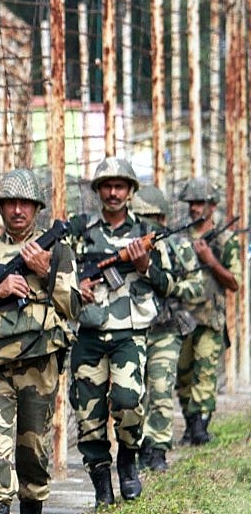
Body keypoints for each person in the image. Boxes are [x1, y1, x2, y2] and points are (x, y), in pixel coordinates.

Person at [0, 168, 79, 514]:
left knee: (33, 452)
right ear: (0, 208)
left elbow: (73, 305)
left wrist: (46, 272)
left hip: (40, 365)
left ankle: (32, 504)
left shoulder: (58, 251)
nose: (18, 210)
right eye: (10, 203)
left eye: (25, 203)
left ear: (37, 208)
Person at [66, 157, 172, 507]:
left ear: (130, 191)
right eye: (107, 186)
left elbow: (168, 284)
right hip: (89, 330)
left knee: (128, 401)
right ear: (98, 190)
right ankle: (101, 489)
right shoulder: (79, 230)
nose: (113, 192)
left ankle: (128, 458)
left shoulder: (146, 234)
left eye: (120, 186)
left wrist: (144, 265)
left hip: (130, 330)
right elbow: (58, 277)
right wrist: (74, 286)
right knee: (88, 416)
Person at [129, 185, 203, 472]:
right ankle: (138, 446)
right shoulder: (126, 245)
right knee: (133, 395)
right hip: (131, 328)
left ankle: (157, 448)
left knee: (160, 389)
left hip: (165, 329)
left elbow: (196, 286)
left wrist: (170, 286)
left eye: (154, 218)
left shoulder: (177, 246)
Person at [174, 177, 242, 446]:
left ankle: (201, 426)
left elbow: (233, 282)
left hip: (210, 318)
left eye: (200, 203)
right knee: (184, 374)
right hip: (181, 316)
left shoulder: (225, 240)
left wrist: (210, 261)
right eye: (191, 203)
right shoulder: (179, 239)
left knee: (205, 372)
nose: (194, 208)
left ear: (212, 206)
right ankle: (191, 425)